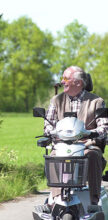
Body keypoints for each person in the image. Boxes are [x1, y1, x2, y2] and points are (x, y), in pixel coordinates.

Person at [44, 65, 108, 206]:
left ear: (78, 82)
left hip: (86, 145)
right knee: (54, 156)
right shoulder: (56, 100)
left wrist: (93, 133)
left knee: (92, 155)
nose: (62, 81)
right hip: (62, 146)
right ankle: (56, 199)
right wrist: (51, 132)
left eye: (66, 78)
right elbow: (48, 124)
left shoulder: (96, 102)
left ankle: (93, 200)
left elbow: (104, 126)